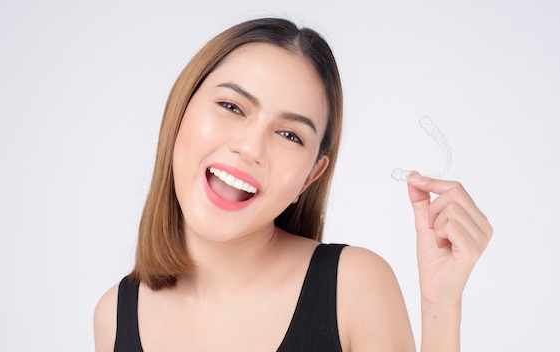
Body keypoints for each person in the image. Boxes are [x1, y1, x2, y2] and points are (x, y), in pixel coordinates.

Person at [94, 17, 492, 352]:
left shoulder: (354, 287)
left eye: (290, 135)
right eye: (232, 107)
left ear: (311, 175)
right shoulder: (113, 315)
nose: (249, 148)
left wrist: (441, 306)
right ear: (180, 109)